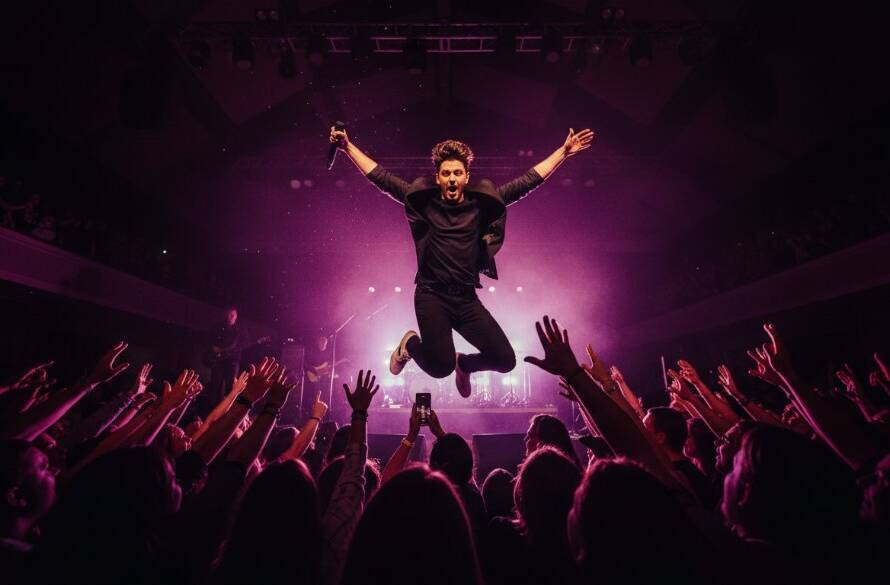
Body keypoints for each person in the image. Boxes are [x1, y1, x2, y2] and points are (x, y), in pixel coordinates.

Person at [330, 125, 594, 397]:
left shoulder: (482, 203)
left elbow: (528, 181)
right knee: (440, 367)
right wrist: (347, 147)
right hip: (431, 296)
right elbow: (382, 178)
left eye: (458, 173)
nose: (452, 178)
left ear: (466, 177)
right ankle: (409, 345)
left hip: (466, 300)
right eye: (446, 173)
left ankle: (464, 364)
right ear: (438, 177)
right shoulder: (424, 202)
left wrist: (563, 152)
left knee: (505, 360)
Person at [204, 307, 248, 413]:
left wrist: (224, 350)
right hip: (218, 361)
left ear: (236, 316)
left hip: (232, 362)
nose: (230, 317)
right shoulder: (218, 328)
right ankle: (211, 410)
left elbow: (242, 344)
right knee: (215, 385)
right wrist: (214, 349)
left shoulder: (239, 330)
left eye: (232, 315)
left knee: (230, 386)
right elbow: (210, 340)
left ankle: (228, 411)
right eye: (228, 314)